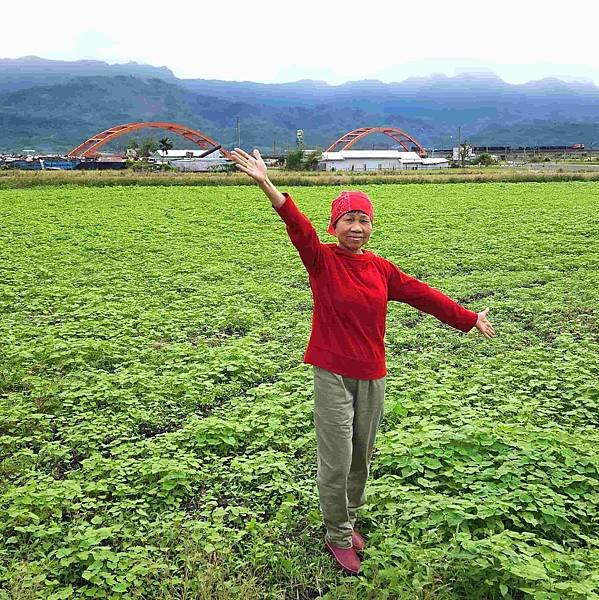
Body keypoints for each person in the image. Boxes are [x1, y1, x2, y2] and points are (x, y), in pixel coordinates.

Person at [230, 148, 495, 575]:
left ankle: (347, 519)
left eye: (364, 220)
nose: (356, 227)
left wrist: (468, 318)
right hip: (332, 373)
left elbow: (423, 295)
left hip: (372, 374)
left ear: (371, 227)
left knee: (361, 456)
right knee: (336, 457)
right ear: (333, 226)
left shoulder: (381, 269)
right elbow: (296, 227)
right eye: (348, 220)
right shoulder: (322, 261)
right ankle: (336, 534)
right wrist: (266, 183)